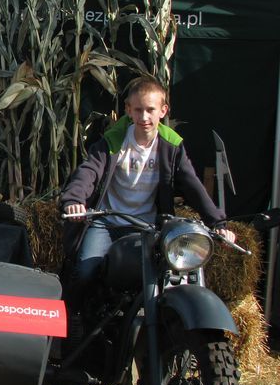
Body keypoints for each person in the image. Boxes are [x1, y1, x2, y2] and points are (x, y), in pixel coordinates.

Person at [60, 76, 236, 314]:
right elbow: (88, 172)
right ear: (128, 110)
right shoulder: (113, 141)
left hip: (145, 227)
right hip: (106, 223)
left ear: (163, 111)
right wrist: (74, 200)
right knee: (84, 271)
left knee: (158, 275)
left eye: (150, 110)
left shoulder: (171, 146)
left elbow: (192, 185)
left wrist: (217, 223)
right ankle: (73, 323)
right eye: (138, 110)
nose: (144, 117)